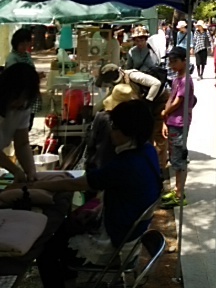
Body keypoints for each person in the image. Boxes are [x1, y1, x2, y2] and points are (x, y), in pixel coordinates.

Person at [20, 99, 162, 288]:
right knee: (63, 230)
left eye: (114, 127)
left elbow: (76, 184)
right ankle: (69, 279)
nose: (111, 131)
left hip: (116, 240)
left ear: (128, 132)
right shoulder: (147, 151)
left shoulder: (125, 165)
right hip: (130, 230)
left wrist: (36, 186)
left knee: (46, 249)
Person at [96, 62, 169, 170]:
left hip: (158, 101)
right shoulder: (119, 85)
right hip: (144, 105)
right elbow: (109, 96)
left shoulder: (133, 75)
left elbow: (156, 84)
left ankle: (160, 170)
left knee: (157, 136)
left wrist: (148, 101)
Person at [161, 47, 195, 207]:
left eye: (175, 61)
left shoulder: (185, 80)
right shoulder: (176, 79)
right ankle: (177, 189)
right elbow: (170, 99)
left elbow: (178, 101)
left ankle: (180, 193)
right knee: (174, 157)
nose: (172, 65)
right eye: (170, 62)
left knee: (179, 159)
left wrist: (165, 112)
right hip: (172, 122)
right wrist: (165, 119)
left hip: (180, 122)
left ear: (184, 61)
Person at [0, 62, 40, 182]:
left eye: (26, 98)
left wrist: (31, 172)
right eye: (18, 97)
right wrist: (15, 170)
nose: (22, 103)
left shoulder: (23, 108)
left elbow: (22, 144)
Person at [5, 27, 43, 128]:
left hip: (29, 95)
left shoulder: (26, 55)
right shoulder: (12, 58)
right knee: (19, 126)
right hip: (19, 96)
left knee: (28, 124)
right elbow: (13, 78)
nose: (25, 46)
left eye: (27, 43)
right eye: (22, 44)